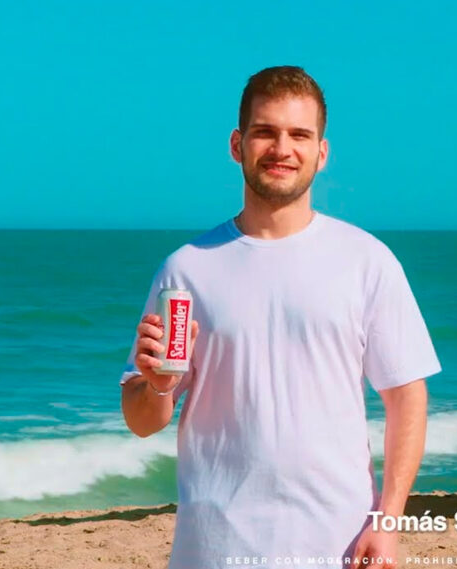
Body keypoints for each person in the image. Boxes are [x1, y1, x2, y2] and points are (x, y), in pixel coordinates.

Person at [119, 66, 440, 569]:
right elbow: (142, 421)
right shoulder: (186, 268)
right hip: (214, 548)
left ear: (322, 152)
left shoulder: (366, 260)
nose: (282, 148)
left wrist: (388, 519)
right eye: (265, 131)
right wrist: (157, 386)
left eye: (299, 135)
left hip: (337, 544)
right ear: (237, 144)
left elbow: (406, 396)